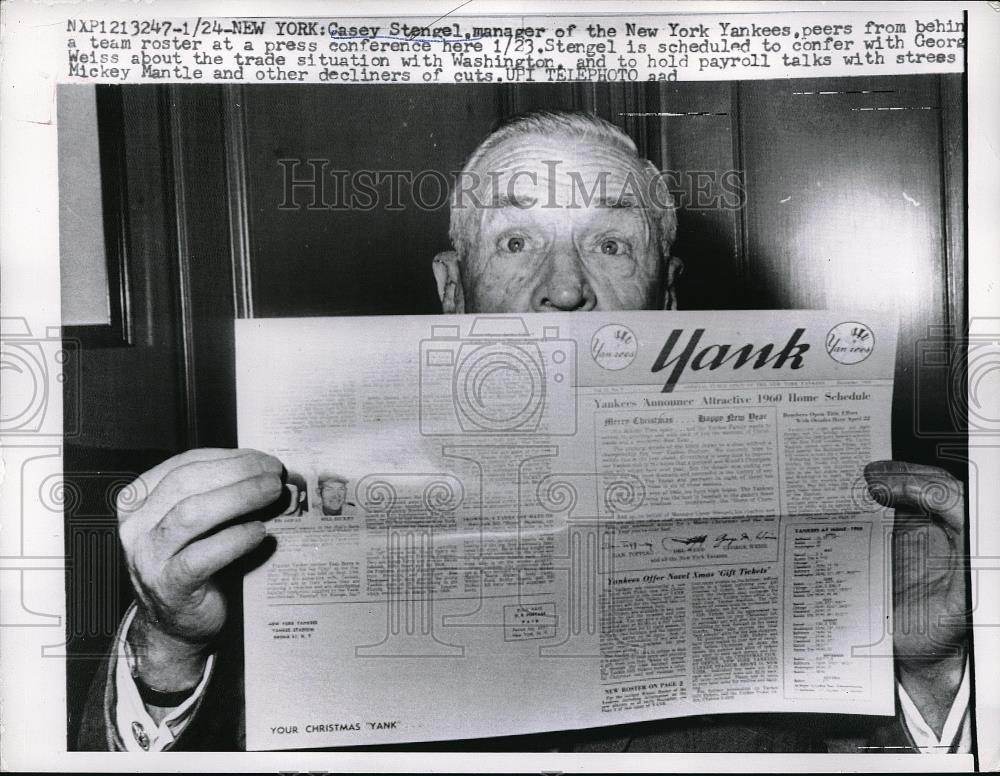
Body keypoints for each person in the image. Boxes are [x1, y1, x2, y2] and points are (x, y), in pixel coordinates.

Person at [78, 110, 970, 753]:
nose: (565, 289)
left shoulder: (844, 519)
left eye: (611, 244)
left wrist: (934, 676)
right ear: (452, 289)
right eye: (515, 242)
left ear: (668, 297)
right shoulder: (276, 519)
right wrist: (167, 647)